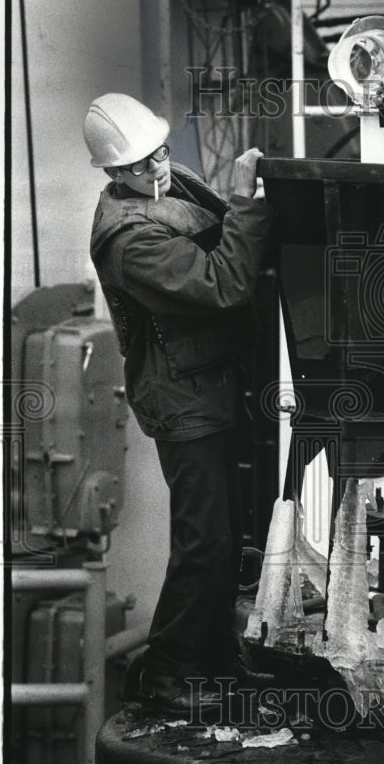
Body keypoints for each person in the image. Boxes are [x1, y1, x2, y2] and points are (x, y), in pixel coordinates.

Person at [83, 93, 274, 713]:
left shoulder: (169, 183)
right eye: (141, 164)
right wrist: (246, 198)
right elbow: (224, 281)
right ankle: (167, 672)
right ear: (115, 174)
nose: (158, 167)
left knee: (227, 535)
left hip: (212, 381)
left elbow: (224, 237)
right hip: (181, 397)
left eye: (160, 152)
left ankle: (216, 661)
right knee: (204, 540)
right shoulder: (128, 239)